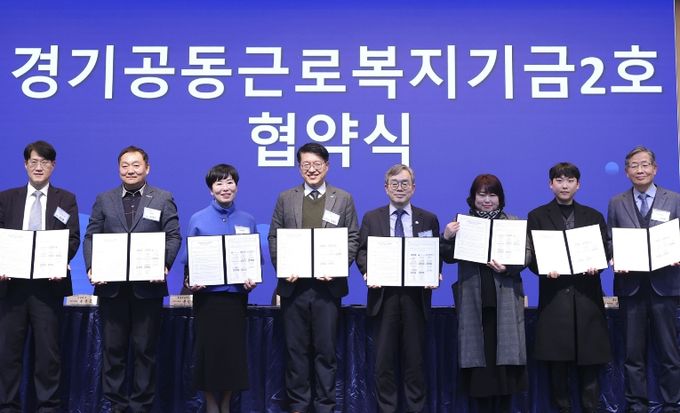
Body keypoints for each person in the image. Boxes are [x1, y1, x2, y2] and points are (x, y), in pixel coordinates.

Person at [83, 145, 181, 413]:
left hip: (147, 288)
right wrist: (92, 266)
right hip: (111, 289)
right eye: (125, 165)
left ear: (147, 168)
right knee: (113, 351)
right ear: (118, 169)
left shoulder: (162, 198)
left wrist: (164, 264)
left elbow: (173, 235)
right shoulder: (105, 199)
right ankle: (116, 404)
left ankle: (141, 405)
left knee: (145, 351)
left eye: (136, 165)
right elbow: (91, 236)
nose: (130, 170)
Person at [267, 142, 359, 413]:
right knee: (295, 351)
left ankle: (325, 406)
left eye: (317, 164)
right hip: (294, 288)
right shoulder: (286, 198)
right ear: (299, 168)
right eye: (306, 164)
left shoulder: (343, 198)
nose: (312, 169)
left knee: (326, 352)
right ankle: (298, 405)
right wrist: (284, 267)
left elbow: (353, 237)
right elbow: (274, 237)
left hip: (327, 289)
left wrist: (338, 266)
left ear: (327, 166)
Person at [0, 140, 80, 413]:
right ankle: (8, 407)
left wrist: (58, 262)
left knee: (48, 355)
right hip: (11, 288)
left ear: (53, 166)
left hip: (48, 287)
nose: (38, 167)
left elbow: (72, 239)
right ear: (25, 165)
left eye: (44, 162)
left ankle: (48, 407)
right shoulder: (7, 198)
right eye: (33, 161)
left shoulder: (65, 199)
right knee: (7, 354)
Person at [527, 162, 611, 413]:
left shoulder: (593, 216)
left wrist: (598, 265)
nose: (565, 185)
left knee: (590, 366)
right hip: (555, 300)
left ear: (578, 185)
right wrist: (544, 268)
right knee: (557, 367)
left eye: (570, 180)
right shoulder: (537, 216)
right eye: (559, 180)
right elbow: (531, 256)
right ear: (550, 184)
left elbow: (604, 251)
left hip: (587, 300)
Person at [355, 164, 440, 413]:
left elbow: (434, 251)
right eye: (395, 183)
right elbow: (362, 252)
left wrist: (434, 271)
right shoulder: (372, 218)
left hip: (416, 297)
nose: (399, 188)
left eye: (405, 183)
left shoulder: (428, 218)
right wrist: (368, 271)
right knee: (384, 361)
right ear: (386, 188)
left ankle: (415, 408)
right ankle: (387, 409)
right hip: (384, 296)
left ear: (413, 188)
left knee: (415, 360)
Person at [440, 174, 528, 413]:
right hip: (474, 303)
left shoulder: (513, 222)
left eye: (492, 195)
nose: (487, 200)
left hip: (505, 302)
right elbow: (447, 258)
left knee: (505, 367)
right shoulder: (462, 224)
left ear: (500, 198)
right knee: (479, 368)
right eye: (482, 195)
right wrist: (446, 237)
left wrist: (508, 267)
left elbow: (527, 255)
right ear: (473, 197)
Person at [607, 146, 680, 413]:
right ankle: (636, 405)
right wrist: (614, 257)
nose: (640, 170)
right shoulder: (617, 202)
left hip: (665, 285)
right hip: (631, 287)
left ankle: (672, 404)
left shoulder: (674, 200)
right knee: (632, 353)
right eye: (634, 166)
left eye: (645, 164)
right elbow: (611, 239)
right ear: (626, 172)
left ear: (655, 169)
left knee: (670, 353)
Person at [183, 164, 258, 413]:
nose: (225, 188)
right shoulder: (198, 219)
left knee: (232, 355)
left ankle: (225, 402)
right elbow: (189, 262)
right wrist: (191, 280)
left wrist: (251, 280)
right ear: (210, 190)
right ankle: (211, 403)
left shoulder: (247, 219)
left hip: (235, 299)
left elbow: (254, 262)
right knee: (208, 354)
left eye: (230, 182)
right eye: (219, 183)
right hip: (208, 300)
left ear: (237, 186)